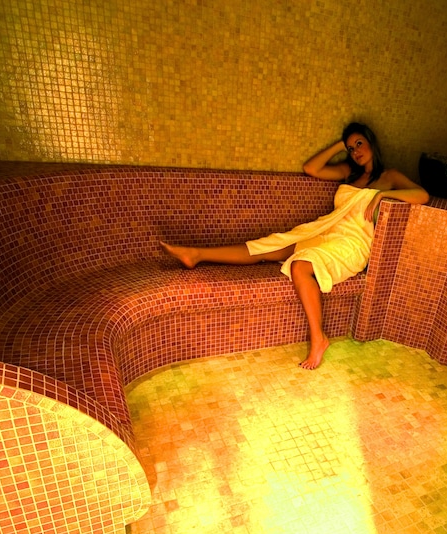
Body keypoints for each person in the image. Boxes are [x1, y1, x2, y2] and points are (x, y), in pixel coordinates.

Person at [160, 122, 429, 370]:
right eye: (350, 148)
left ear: (371, 141)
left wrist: (383, 194)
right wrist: (340, 145)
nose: (355, 151)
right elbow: (311, 168)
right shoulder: (349, 172)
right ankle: (197, 254)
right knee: (272, 245)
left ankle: (319, 338)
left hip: (353, 245)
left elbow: (422, 195)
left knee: (301, 266)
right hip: (326, 233)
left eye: (359, 143)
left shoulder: (390, 176)